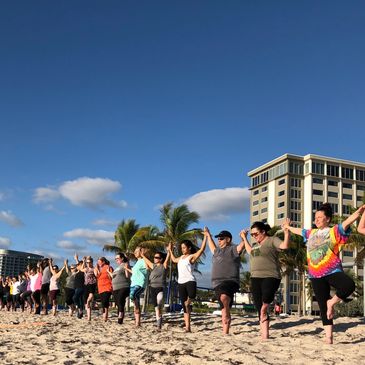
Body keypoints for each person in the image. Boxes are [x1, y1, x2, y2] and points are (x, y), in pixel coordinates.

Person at [284, 203, 365, 344]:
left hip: (332, 270)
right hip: (315, 274)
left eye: (320, 217)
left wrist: (359, 212)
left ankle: (331, 302)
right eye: (315, 217)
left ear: (327, 219)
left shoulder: (334, 231)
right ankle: (329, 338)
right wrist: (288, 227)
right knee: (322, 305)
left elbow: (347, 221)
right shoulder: (311, 233)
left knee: (348, 286)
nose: (317, 220)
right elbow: (300, 231)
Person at [240, 220, 290, 340]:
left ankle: (264, 307)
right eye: (252, 235)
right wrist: (244, 238)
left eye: (256, 234)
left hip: (271, 275)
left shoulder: (272, 240)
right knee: (259, 307)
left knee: (265, 299)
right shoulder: (256, 246)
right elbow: (249, 251)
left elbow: (284, 246)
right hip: (255, 277)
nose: (254, 236)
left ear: (263, 231)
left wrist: (287, 233)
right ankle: (265, 335)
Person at [206, 228, 245, 334]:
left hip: (230, 281)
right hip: (216, 283)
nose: (219, 240)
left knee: (224, 298)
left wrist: (243, 237)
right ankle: (225, 332)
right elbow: (211, 245)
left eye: (221, 238)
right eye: (218, 238)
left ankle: (227, 316)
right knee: (223, 307)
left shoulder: (233, 249)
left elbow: (241, 246)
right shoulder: (216, 251)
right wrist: (208, 235)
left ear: (228, 239)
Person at [168, 237, 206, 332]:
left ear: (189, 248)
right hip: (181, 282)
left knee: (192, 296)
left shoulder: (191, 257)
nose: (182, 249)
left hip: (190, 281)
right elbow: (173, 259)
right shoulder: (180, 258)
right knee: (185, 307)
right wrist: (170, 250)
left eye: (184, 247)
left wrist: (205, 237)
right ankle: (188, 327)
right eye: (181, 248)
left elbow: (201, 250)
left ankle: (188, 302)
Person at [141, 247, 171, 329]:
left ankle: (160, 313)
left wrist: (169, 250)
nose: (155, 258)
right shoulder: (153, 266)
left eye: (157, 257)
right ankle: (159, 323)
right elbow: (147, 261)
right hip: (152, 288)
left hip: (160, 287)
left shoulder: (164, 266)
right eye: (154, 257)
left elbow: (168, 258)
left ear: (161, 259)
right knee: (156, 307)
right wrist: (142, 255)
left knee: (160, 300)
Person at [126, 247, 148, 327]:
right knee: (136, 302)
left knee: (132, 295)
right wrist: (127, 269)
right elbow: (135, 272)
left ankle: (137, 308)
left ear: (141, 252)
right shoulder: (137, 262)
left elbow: (147, 268)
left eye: (136, 251)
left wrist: (144, 256)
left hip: (140, 284)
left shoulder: (143, 261)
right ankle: (137, 322)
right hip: (133, 284)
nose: (134, 253)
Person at [110, 252, 131, 324]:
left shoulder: (125, 264)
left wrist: (127, 261)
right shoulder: (117, 268)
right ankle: (120, 317)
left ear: (122, 258)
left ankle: (120, 315)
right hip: (115, 288)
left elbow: (127, 276)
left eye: (117, 258)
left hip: (123, 286)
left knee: (120, 300)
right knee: (118, 302)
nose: (116, 260)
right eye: (115, 259)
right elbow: (113, 276)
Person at [78, 255, 97, 321]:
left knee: (90, 296)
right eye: (87, 262)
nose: (88, 263)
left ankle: (89, 301)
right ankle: (89, 317)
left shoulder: (94, 268)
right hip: (86, 284)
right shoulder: (86, 268)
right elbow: (80, 269)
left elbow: (96, 274)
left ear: (92, 262)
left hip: (92, 284)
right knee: (85, 302)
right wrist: (83, 261)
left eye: (89, 262)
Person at [94, 257, 113, 322]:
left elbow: (111, 276)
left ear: (103, 262)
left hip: (107, 286)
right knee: (103, 302)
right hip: (100, 288)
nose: (98, 263)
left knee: (105, 301)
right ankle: (104, 315)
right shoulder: (98, 269)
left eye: (100, 262)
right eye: (98, 262)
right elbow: (96, 276)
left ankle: (105, 316)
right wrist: (97, 269)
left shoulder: (108, 267)